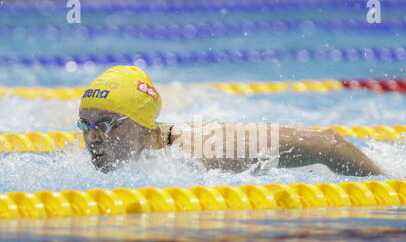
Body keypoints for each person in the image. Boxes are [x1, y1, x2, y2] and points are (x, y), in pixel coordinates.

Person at [78, 66, 384, 176]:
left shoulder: (206, 150)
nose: (92, 138)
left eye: (106, 123)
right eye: (85, 124)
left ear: (144, 122)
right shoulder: (128, 158)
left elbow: (327, 142)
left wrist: (390, 187)